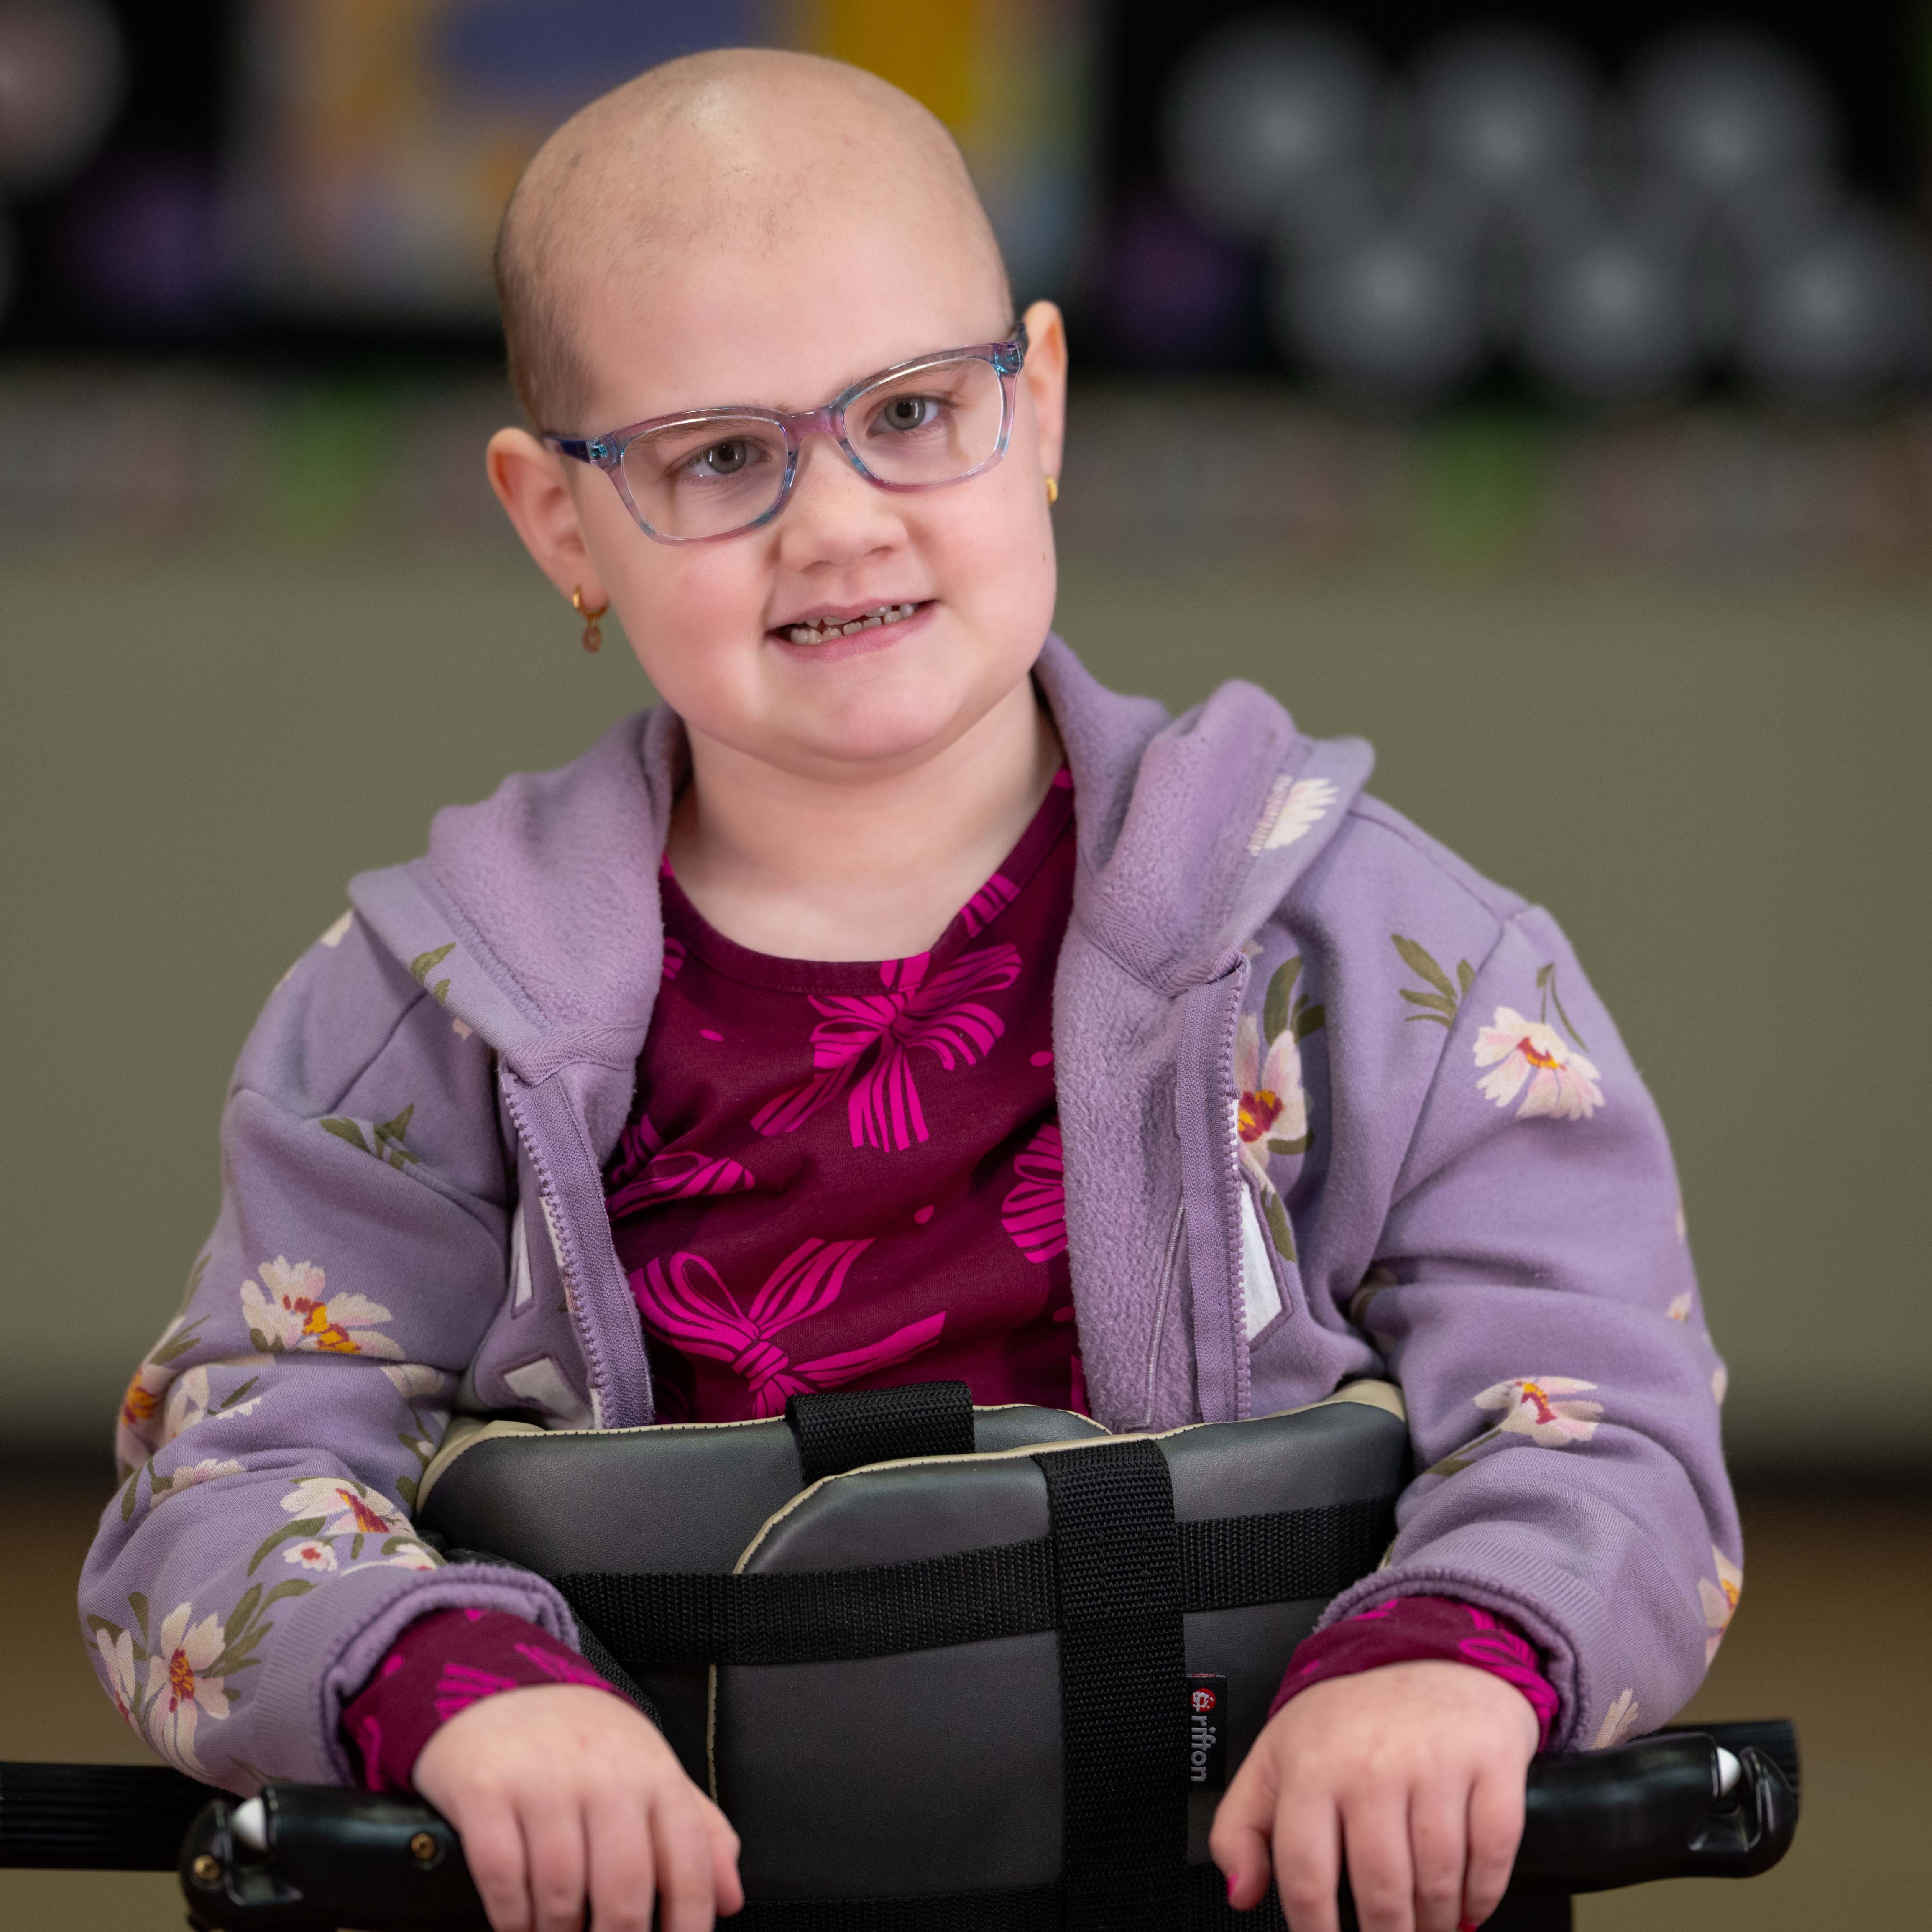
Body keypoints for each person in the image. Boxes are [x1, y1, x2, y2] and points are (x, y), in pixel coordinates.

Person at [81, 48, 1739, 1932]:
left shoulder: (1386, 962)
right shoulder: (428, 1018)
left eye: (913, 410)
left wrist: (1447, 1658)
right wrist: (451, 1687)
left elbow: (1606, 1428)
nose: (839, 523)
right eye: (720, 457)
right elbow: (221, 1483)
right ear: (557, 522)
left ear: (1040, 405)